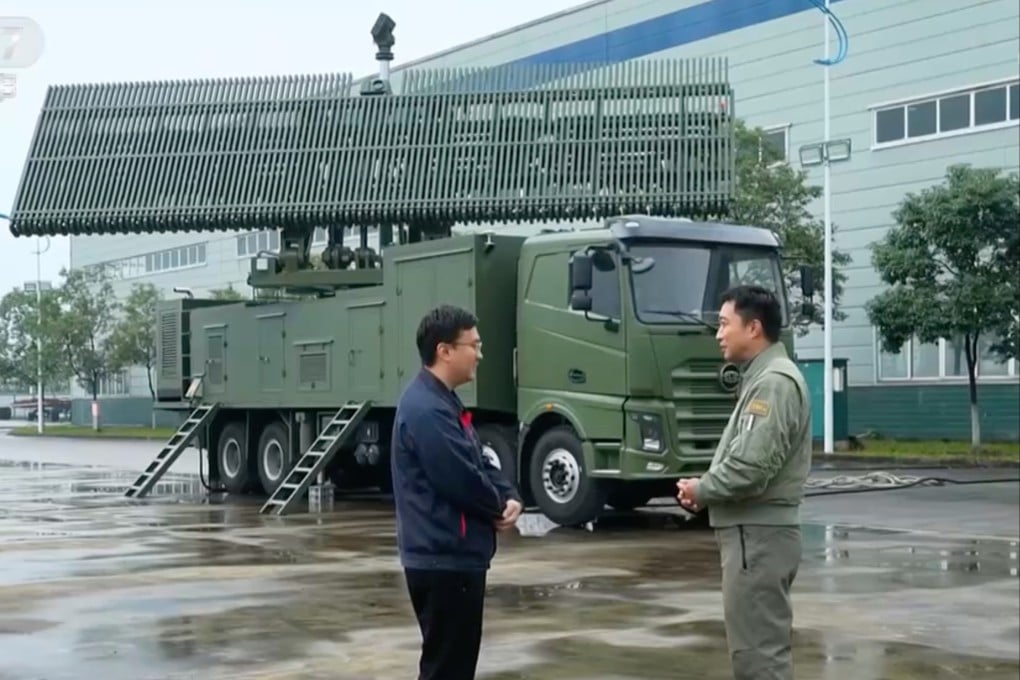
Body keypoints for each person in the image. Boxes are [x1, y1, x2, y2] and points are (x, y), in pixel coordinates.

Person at [676, 285, 812, 680]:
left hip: (758, 537)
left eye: (723, 324)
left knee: (759, 657)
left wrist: (702, 489)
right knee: (756, 650)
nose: (718, 334)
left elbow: (751, 467)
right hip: (756, 536)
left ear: (753, 328)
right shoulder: (765, 377)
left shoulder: (773, 382)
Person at [391, 304, 524, 680]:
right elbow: (460, 478)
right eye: (474, 345)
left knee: (453, 667)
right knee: (446, 670)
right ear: (444, 351)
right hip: (443, 560)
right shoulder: (427, 410)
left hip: (453, 557)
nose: (480, 354)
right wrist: (499, 506)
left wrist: (508, 493)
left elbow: (481, 459)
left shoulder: (443, 402)